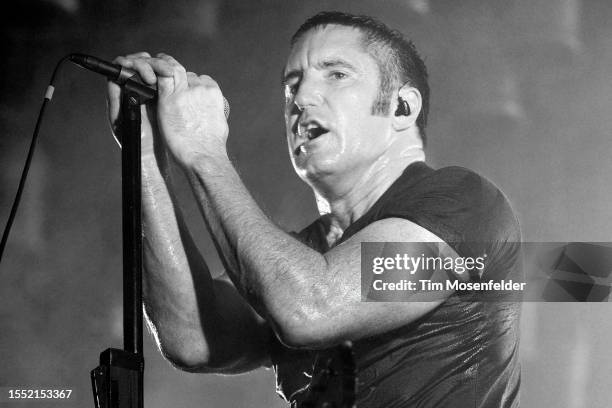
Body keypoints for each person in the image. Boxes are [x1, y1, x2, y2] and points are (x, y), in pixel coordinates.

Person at [107, 11, 522, 408]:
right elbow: (191, 337)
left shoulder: (462, 203)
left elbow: (311, 307)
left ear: (402, 108)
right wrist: (144, 159)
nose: (301, 98)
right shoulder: (295, 256)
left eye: (337, 74)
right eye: (292, 85)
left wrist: (203, 151)